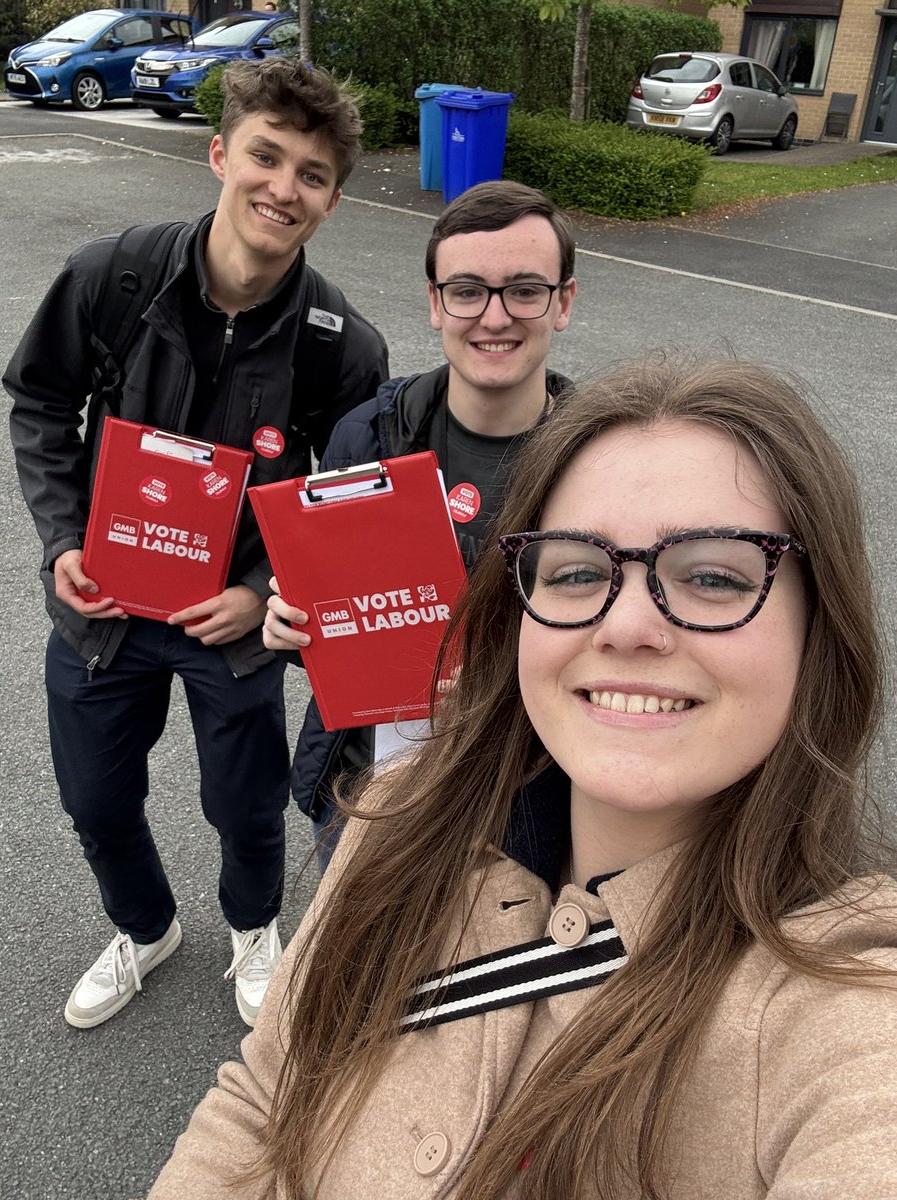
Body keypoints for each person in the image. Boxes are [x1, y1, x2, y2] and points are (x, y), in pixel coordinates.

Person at [149, 355, 897, 1198]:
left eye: (716, 575)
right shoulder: (399, 812)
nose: (628, 625)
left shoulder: (844, 1010)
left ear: (819, 630)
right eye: (577, 570)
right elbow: (263, 1098)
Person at [4, 58, 388, 1030]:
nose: (282, 187)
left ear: (332, 200)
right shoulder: (113, 276)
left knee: (246, 807)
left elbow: (341, 496)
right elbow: (42, 404)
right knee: (95, 801)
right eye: (266, 156)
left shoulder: (342, 345)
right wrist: (60, 544)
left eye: (310, 173)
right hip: (103, 611)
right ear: (221, 155)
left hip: (236, 625)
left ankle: (254, 928)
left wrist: (265, 588)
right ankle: (145, 929)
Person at [263, 180, 577, 865]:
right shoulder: (370, 435)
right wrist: (290, 624)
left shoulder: (598, 461)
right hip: (369, 783)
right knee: (359, 969)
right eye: (467, 291)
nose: (494, 316)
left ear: (564, 302)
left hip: (517, 796)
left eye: (525, 289)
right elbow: (332, 612)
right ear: (435, 304)